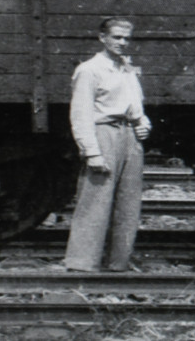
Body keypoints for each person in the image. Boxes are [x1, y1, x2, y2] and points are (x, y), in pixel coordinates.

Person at [63, 17, 152, 272]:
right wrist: (91, 152)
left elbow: (136, 102)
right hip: (104, 133)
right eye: (117, 37)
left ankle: (118, 262)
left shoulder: (126, 68)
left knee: (129, 202)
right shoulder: (90, 69)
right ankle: (82, 263)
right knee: (96, 199)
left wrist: (143, 123)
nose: (122, 43)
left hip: (130, 136)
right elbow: (80, 113)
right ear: (103, 38)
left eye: (126, 38)